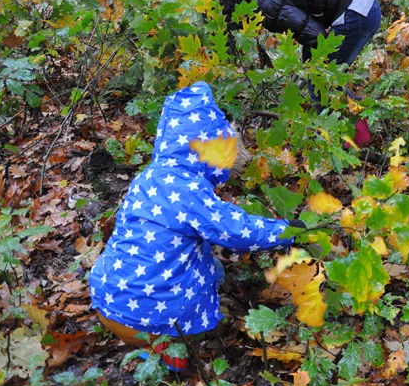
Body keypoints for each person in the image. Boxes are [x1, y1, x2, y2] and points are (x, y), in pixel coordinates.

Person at [89, 82, 304, 370]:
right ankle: (169, 355)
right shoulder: (188, 190)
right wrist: (288, 231)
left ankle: (150, 346)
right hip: (145, 315)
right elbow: (235, 230)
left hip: (108, 298)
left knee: (208, 265)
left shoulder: (149, 177)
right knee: (204, 283)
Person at [219, 0, 381, 146]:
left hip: (358, 14)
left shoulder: (265, 3)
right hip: (363, 5)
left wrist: (307, 67)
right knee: (326, 78)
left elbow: (316, 36)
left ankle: (347, 145)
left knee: (321, 80)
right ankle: (359, 127)